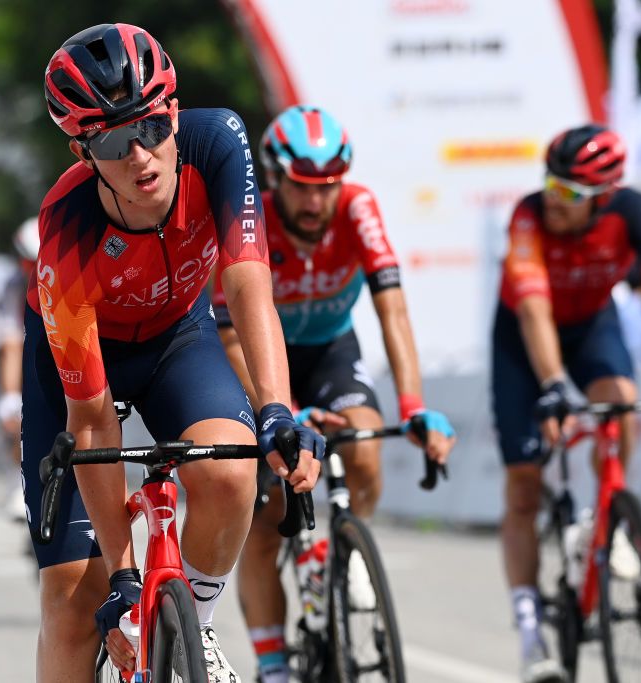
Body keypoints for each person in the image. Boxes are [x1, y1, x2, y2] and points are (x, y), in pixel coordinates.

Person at [25, 23, 323, 683]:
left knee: (230, 472)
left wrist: (276, 408)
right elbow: (93, 417)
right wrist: (124, 578)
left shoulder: (218, 142)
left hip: (175, 340)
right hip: (80, 369)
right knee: (75, 603)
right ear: (82, 149)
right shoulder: (66, 229)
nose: (141, 155)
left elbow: (249, 286)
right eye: (111, 139)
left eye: (154, 127)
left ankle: (198, 628)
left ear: (175, 113)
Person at [213, 105, 456, 683]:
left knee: (366, 451)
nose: (317, 202)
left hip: (329, 350)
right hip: (257, 355)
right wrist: (281, 412)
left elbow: (392, 308)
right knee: (270, 510)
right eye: (303, 187)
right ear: (275, 179)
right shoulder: (250, 217)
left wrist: (415, 405)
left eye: (328, 187)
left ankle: (342, 551)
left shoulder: (359, 208)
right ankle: (272, 664)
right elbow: (228, 335)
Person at [492, 124, 641, 682]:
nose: (553, 200)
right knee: (523, 483)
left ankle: (604, 516)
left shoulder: (631, 214)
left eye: (569, 193)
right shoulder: (529, 215)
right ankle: (530, 633)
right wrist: (554, 383)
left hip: (592, 326)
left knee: (623, 402)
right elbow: (534, 307)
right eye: (550, 184)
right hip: (524, 338)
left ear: (603, 198)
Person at [0, 217, 39, 522]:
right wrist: (10, 398)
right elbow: (12, 346)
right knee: (19, 420)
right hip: (33, 354)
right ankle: (19, 482)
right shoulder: (14, 286)